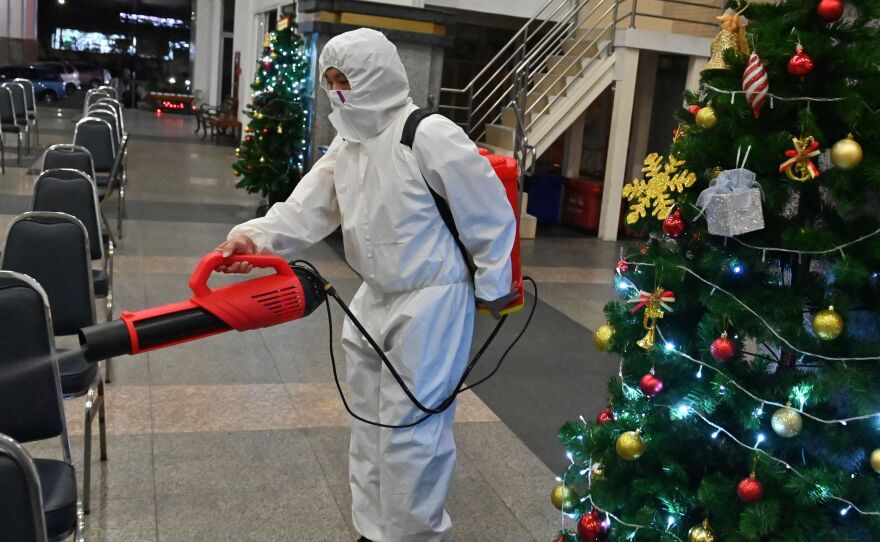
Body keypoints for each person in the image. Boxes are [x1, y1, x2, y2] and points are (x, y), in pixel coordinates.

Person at [216, 28, 517, 542]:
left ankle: (413, 536)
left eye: (347, 81)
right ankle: (374, 529)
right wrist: (254, 238)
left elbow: (487, 212)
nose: (338, 93)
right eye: (331, 82)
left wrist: (494, 286)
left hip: (432, 299)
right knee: (368, 423)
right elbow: (306, 208)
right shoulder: (349, 143)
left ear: (377, 76)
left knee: (413, 432)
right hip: (374, 296)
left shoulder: (427, 133)